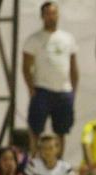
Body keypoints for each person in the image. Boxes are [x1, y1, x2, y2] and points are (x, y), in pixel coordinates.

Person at [23, 1, 78, 158]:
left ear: (58, 15)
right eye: (47, 13)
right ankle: (34, 159)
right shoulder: (34, 39)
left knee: (61, 130)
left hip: (63, 90)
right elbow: (26, 67)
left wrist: (73, 90)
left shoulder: (67, 38)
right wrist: (31, 88)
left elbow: (74, 67)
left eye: (54, 13)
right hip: (42, 89)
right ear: (42, 16)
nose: (51, 17)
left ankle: (58, 161)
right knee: (35, 128)